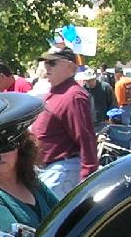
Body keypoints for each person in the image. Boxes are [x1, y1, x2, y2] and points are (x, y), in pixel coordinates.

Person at [28, 45, 98, 198]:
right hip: (48, 170)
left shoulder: (74, 96)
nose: (47, 67)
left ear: (70, 67)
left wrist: (88, 179)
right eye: (46, 63)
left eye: (52, 63)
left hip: (62, 171)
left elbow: (86, 139)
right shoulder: (56, 92)